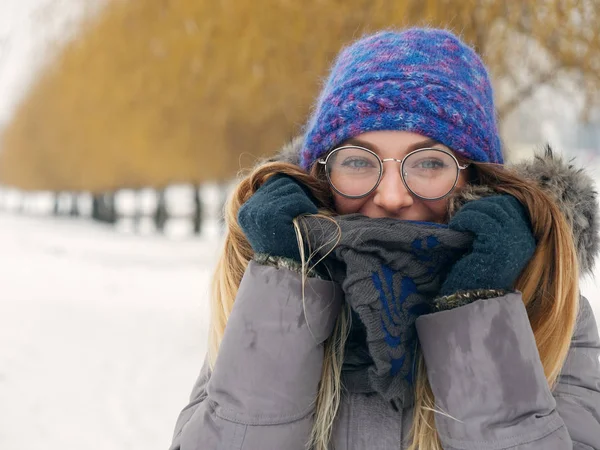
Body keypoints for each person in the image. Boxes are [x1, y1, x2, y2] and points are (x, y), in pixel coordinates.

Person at [169, 29, 600, 450]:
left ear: (476, 178)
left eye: (430, 162)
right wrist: (286, 291)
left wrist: (480, 309)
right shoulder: (262, 290)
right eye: (358, 161)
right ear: (323, 173)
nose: (392, 197)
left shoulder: (543, 304)